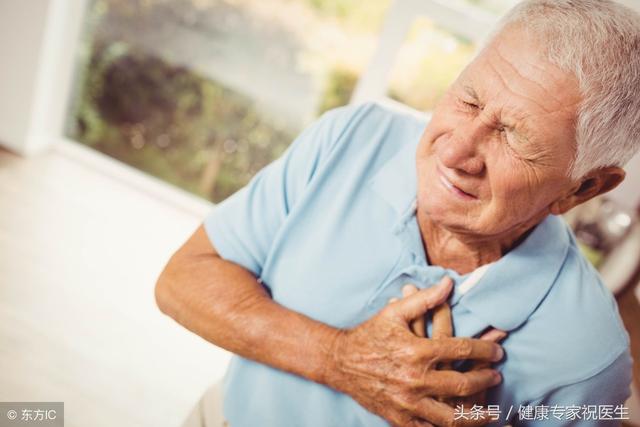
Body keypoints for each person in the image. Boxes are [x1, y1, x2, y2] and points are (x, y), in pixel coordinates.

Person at [155, 1, 640, 425]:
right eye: (469, 99)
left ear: (583, 188)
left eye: (515, 137)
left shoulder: (589, 356)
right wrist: (339, 359)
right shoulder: (351, 139)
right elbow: (183, 279)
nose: (455, 151)